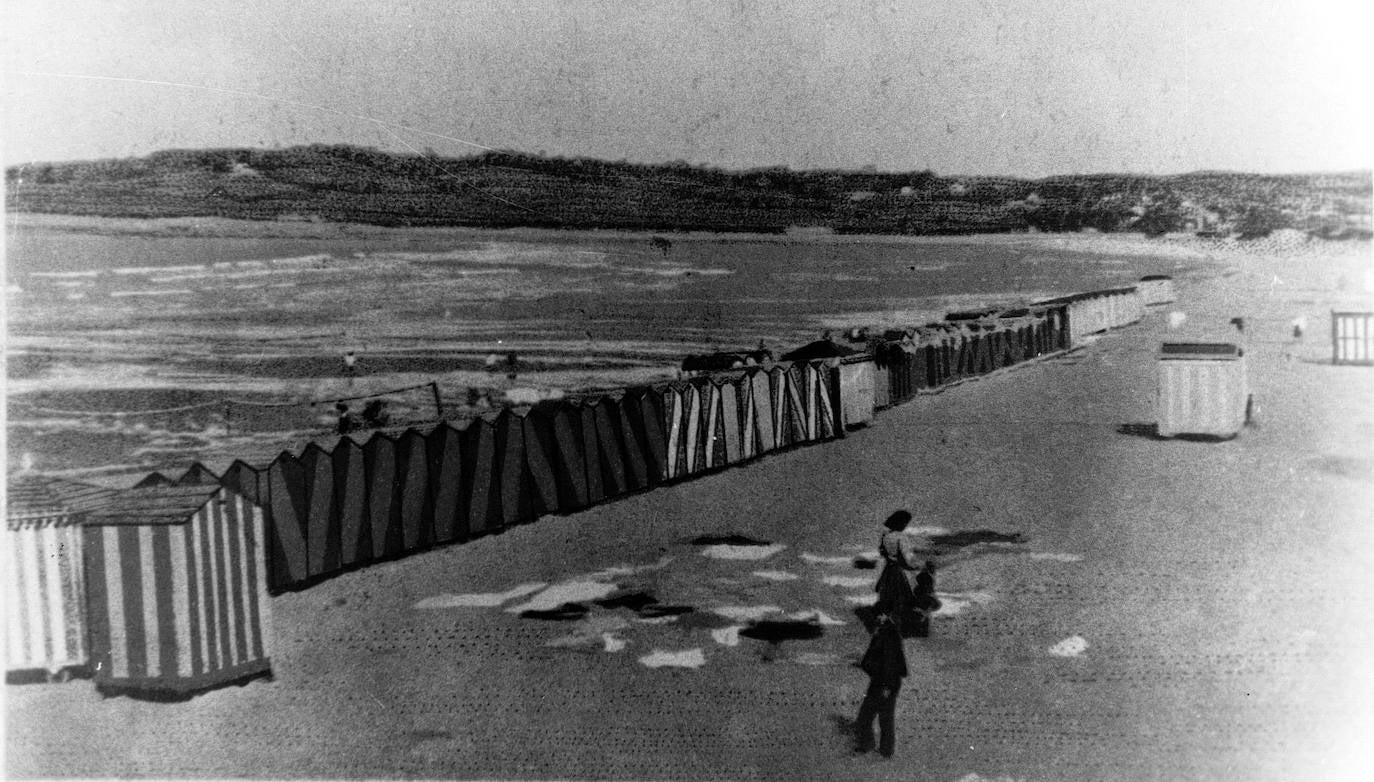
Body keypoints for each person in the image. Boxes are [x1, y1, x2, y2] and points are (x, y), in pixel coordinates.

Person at [855, 615, 908, 757]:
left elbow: (889, 666)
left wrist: (887, 688)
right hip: (884, 684)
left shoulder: (886, 639)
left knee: (867, 717)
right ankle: (884, 750)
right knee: (884, 718)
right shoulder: (887, 636)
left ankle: (870, 747)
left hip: (884, 685)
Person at [874, 510, 922, 638]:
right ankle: (899, 632)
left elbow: (883, 554)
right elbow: (904, 559)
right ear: (901, 523)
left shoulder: (885, 536)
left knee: (887, 599)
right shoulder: (901, 537)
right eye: (905, 522)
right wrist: (914, 567)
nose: (906, 525)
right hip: (897, 572)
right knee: (902, 599)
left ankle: (885, 628)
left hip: (887, 571)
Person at [910, 561, 941, 638]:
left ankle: (921, 630)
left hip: (920, 597)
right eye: (933, 568)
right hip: (924, 598)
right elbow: (929, 589)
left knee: (923, 614)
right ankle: (922, 631)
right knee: (925, 613)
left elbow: (919, 583)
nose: (934, 570)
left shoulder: (923, 576)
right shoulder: (927, 577)